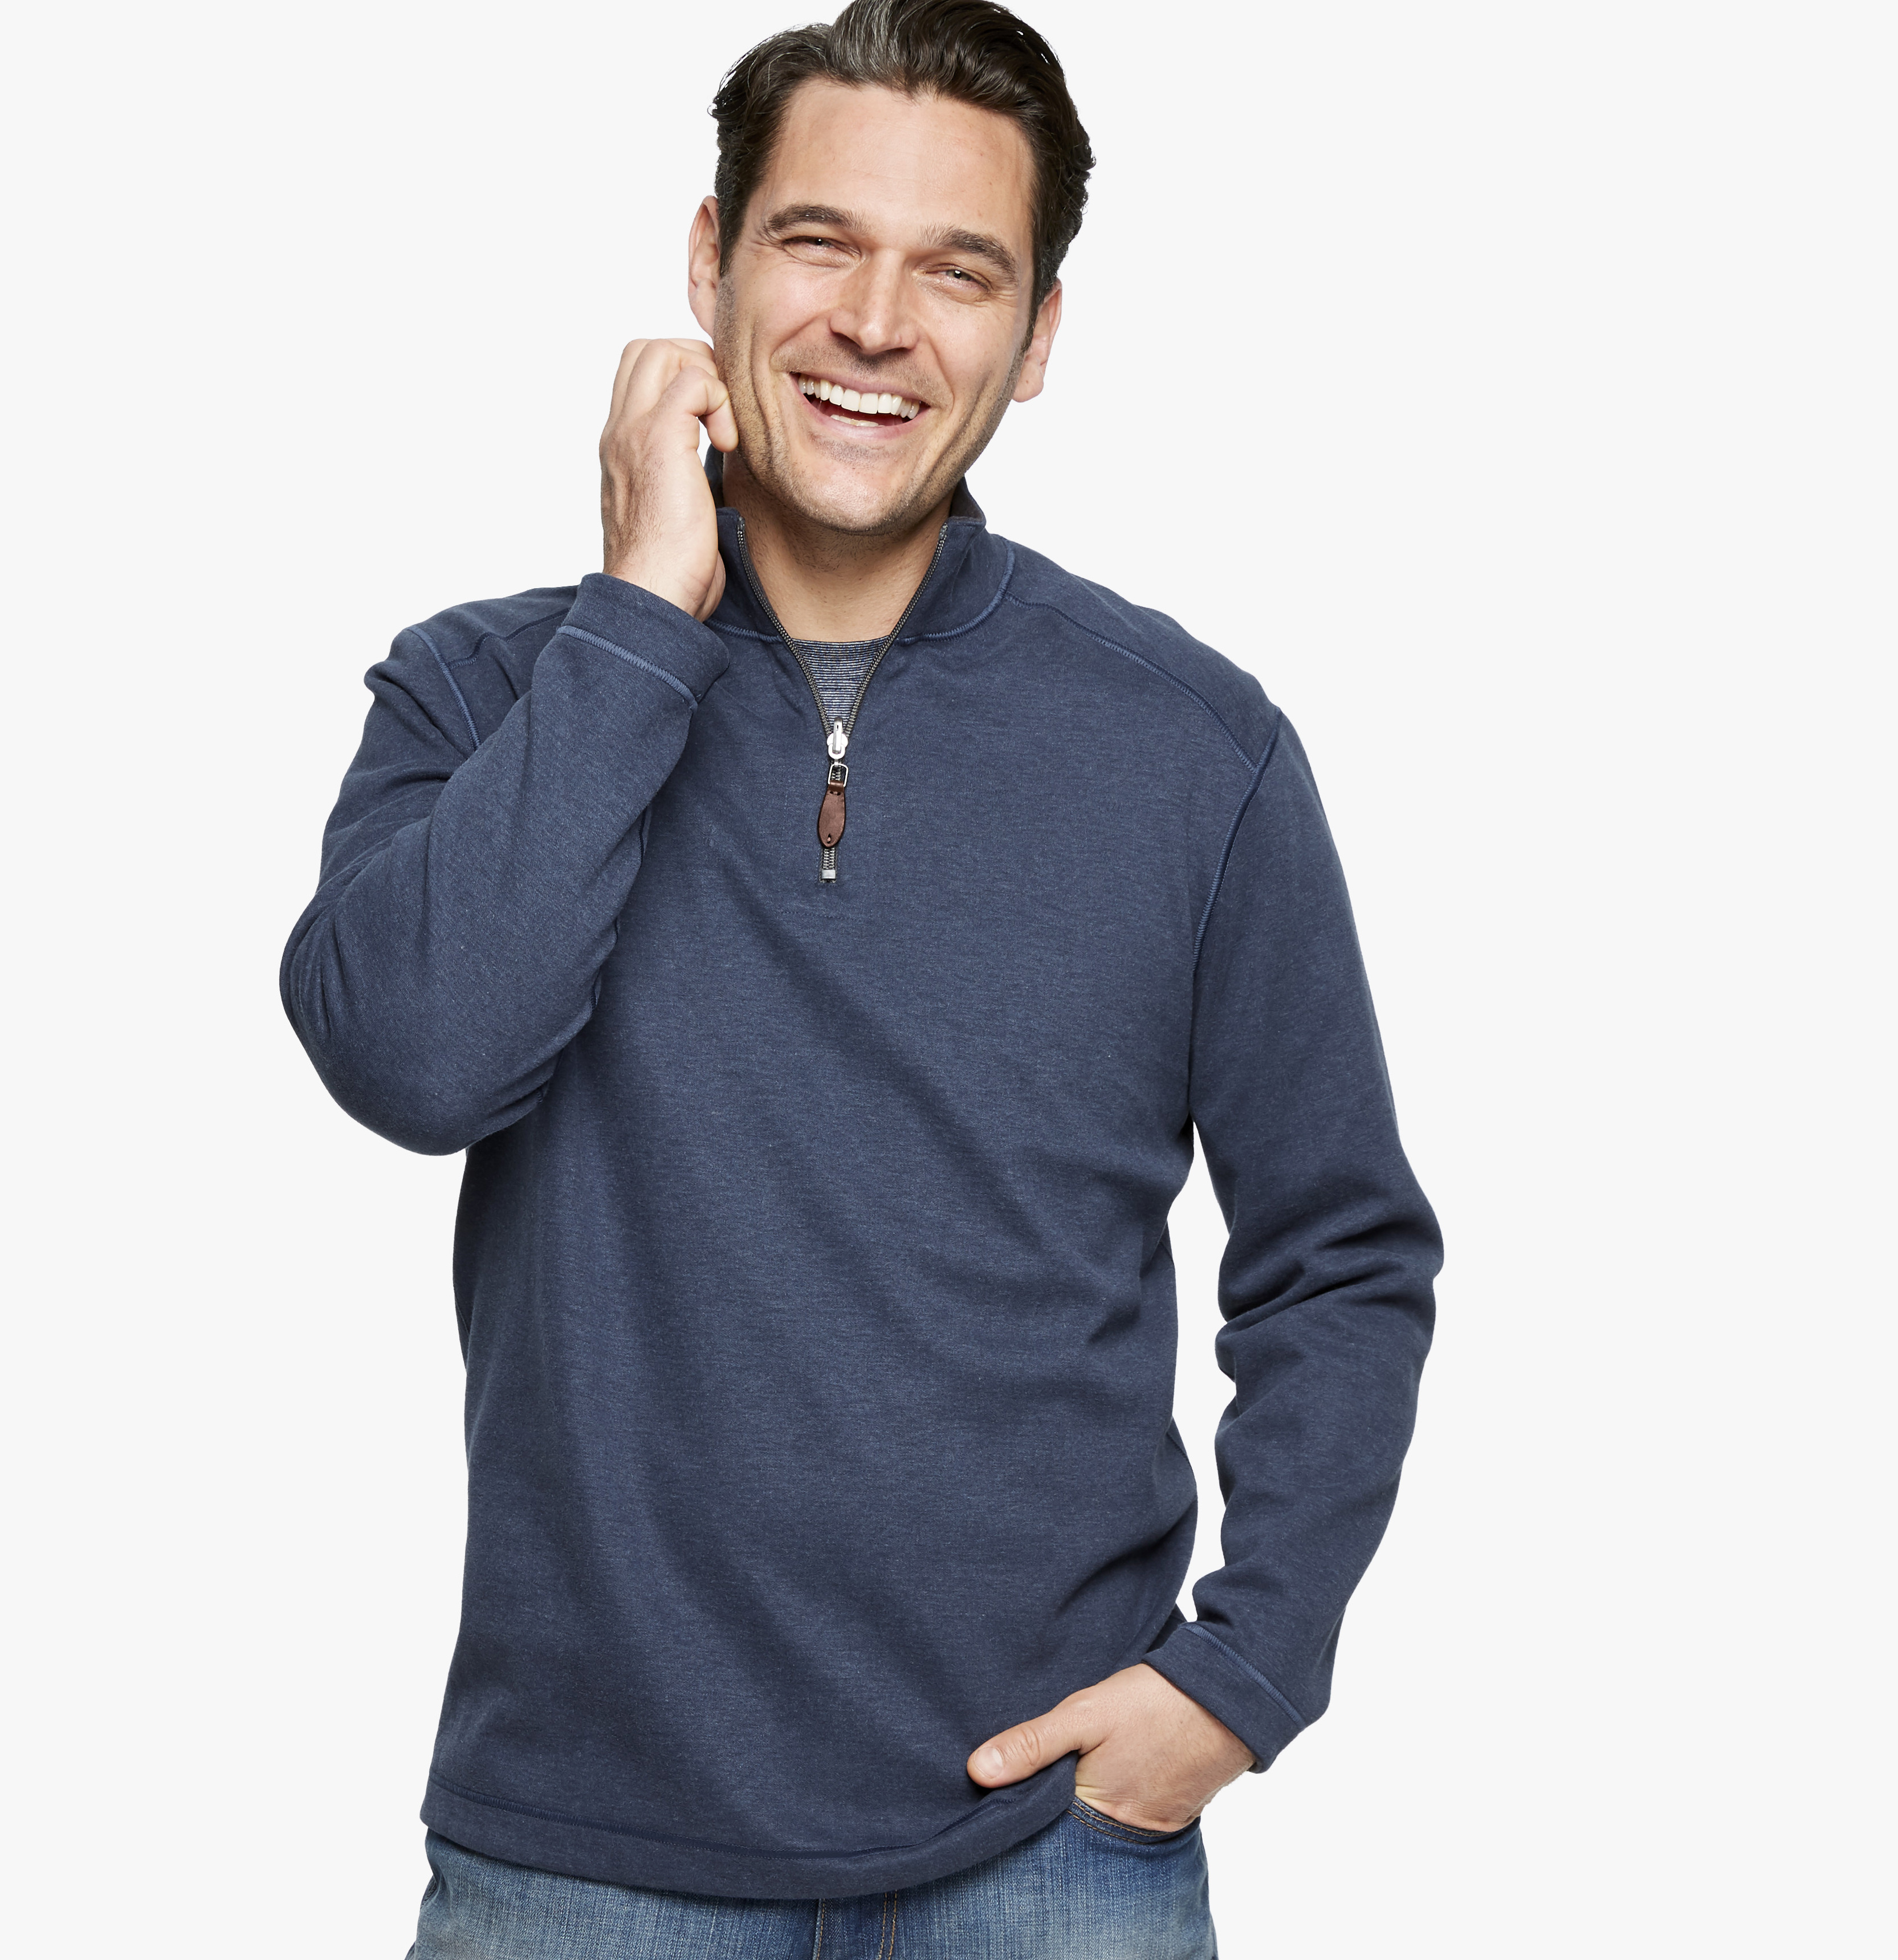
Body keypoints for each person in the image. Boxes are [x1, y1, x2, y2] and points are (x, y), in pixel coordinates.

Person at [280, 2, 1441, 1952]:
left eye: (957, 272)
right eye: (817, 242)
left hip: (1052, 1852)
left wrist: (1241, 1679)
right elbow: (414, 1060)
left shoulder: (1194, 749)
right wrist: (639, 615)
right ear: (709, 262)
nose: (877, 324)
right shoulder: (487, 692)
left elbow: (1339, 1257)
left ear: (1036, 337)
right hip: (575, 1854)